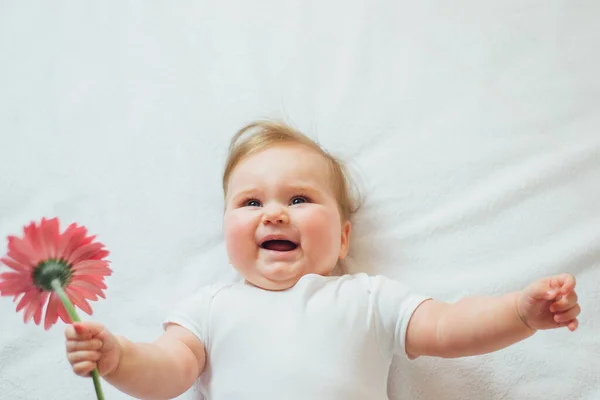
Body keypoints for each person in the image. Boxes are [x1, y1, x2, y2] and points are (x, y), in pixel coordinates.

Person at [65, 120, 581, 399]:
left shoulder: (369, 296)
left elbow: (448, 327)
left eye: (298, 200)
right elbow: (169, 373)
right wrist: (119, 359)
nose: (274, 215)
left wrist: (518, 313)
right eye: (250, 203)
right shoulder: (208, 309)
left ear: (342, 239)